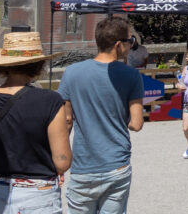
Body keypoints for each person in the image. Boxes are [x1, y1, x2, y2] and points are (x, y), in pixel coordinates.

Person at [0, 32, 72, 214]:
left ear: (2, 65)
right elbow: (62, 162)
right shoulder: (51, 101)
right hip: (39, 194)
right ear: (39, 65)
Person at [58, 17, 145, 214]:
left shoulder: (71, 73)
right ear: (118, 45)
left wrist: (59, 160)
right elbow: (137, 124)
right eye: (130, 42)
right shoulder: (131, 75)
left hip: (84, 164)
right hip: (116, 163)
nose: (131, 46)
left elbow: (66, 121)